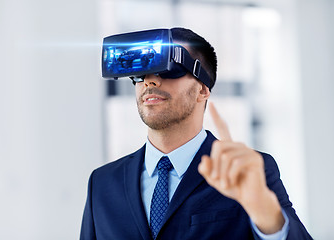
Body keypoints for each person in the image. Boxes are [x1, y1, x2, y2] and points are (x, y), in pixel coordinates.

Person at [80, 27, 312, 239]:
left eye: (166, 71)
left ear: (202, 89)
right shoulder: (101, 183)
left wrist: (264, 209)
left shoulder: (245, 171)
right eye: (141, 73)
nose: (150, 81)